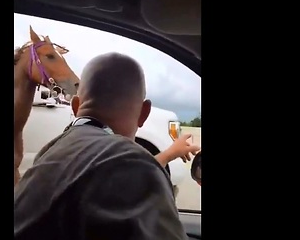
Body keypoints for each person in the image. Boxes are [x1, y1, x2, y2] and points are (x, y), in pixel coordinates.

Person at [14, 52, 196, 240]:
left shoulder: (48, 154)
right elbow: (123, 167)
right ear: (144, 113)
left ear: (76, 107)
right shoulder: (132, 163)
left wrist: (166, 156)